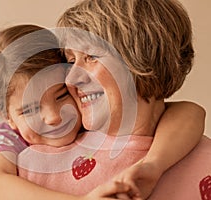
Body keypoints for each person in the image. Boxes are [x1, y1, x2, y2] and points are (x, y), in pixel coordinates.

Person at [0, 23, 205, 200]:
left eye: (61, 95)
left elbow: (190, 111)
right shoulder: (8, 137)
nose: (54, 117)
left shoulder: (88, 115)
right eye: (30, 109)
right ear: (8, 117)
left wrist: (153, 164)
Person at [51, 0, 211, 199]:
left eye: (91, 56)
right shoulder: (41, 158)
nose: (71, 78)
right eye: (71, 61)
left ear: (143, 57)